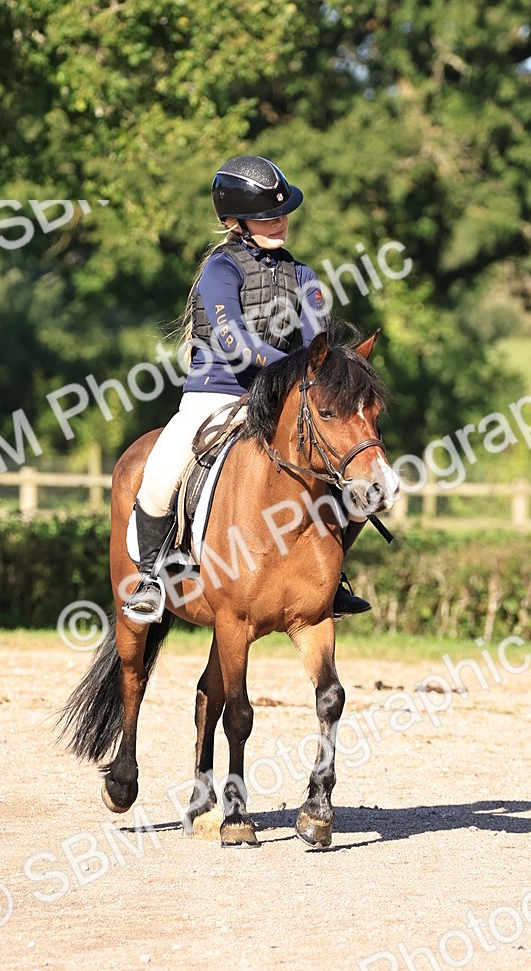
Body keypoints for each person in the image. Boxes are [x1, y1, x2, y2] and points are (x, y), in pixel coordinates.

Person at [123, 154, 372, 623]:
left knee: (354, 478)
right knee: (158, 474)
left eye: (282, 212)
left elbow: (315, 344)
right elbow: (231, 339)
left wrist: (325, 376)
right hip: (215, 394)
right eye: (265, 215)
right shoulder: (221, 270)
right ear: (236, 220)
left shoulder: (305, 278)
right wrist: (294, 369)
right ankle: (152, 579)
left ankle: (330, 577)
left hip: (279, 401)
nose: (279, 221)